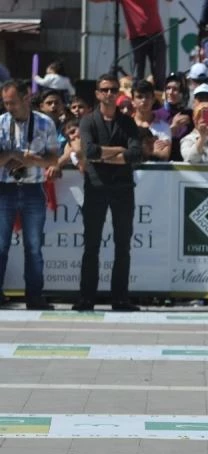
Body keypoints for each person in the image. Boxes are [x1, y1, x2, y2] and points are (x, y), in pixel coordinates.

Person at [74, 74, 143, 312]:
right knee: (91, 244)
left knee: (122, 245)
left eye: (113, 89)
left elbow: (135, 155)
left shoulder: (128, 122)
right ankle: (86, 298)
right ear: (97, 93)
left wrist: (106, 156)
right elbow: (90, 152)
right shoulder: (88, 121)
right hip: (96, 188)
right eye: (105, 90)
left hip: (123, 190)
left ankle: (120, 298)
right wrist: (118, 153)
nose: (110, 93)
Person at [0, 79, 59, 310]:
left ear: (26, 98)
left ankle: (34, 297)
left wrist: (33, 160)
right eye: (5, 103)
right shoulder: (1, 123)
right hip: (5, 189)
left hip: (34, 188)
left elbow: (53, 159)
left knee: (33, 246)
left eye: (13, 102)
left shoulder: (45, 123)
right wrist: (15, 153)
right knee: (1, 245)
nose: (9, 107)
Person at [93, 0, 169, 90]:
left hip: (156, 34)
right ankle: (137, 99)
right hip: (137, 37)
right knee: (137, 76)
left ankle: (160, 101)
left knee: (159, 74)